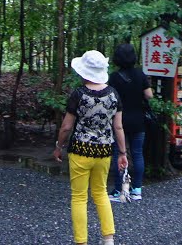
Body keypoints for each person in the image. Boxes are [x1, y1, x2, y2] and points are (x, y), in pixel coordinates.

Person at [53, 50, 129, 245]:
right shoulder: (113, 94)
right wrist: (122, 152)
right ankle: (108, 238)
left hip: (80, 150)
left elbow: (66, 126)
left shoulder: (79, 94)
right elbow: (118, 126)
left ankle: (81, 241)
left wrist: (58, 146)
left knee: (79, 197)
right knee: (101, 193)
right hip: (104, 150)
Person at [107, 43, 154, 202]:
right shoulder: (140, 74)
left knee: (119, 153)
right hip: (138, 119)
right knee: (137, 153)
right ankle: (137, 190)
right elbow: (149, 95)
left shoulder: (113, 77)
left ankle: (119, 190)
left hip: (118, 120)